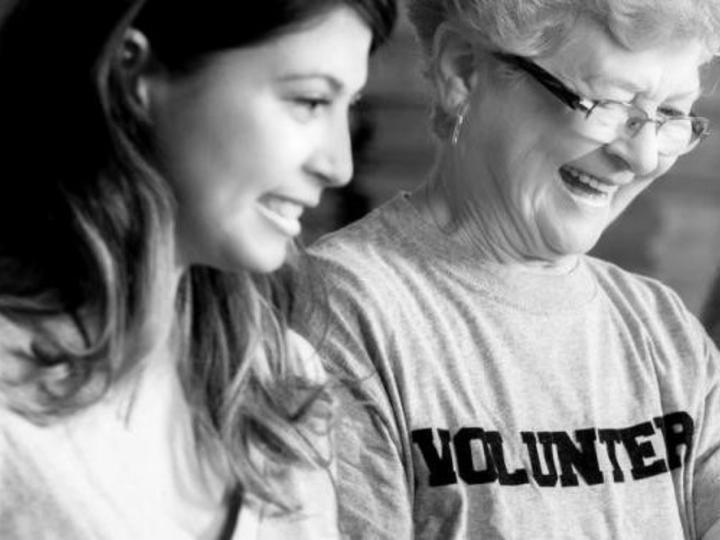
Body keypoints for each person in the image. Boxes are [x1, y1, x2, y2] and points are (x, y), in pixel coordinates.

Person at [290, 0, 720, 538]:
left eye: (671, 116)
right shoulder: (340, 313)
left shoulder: (662, 330)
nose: (643, 156)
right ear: (463, 72)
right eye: (609, 104)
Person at [0, 0, 395, 538]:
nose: (338, 164)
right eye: (309, 101)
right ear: (131, 72)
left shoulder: (282, 382)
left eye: (347, 109)